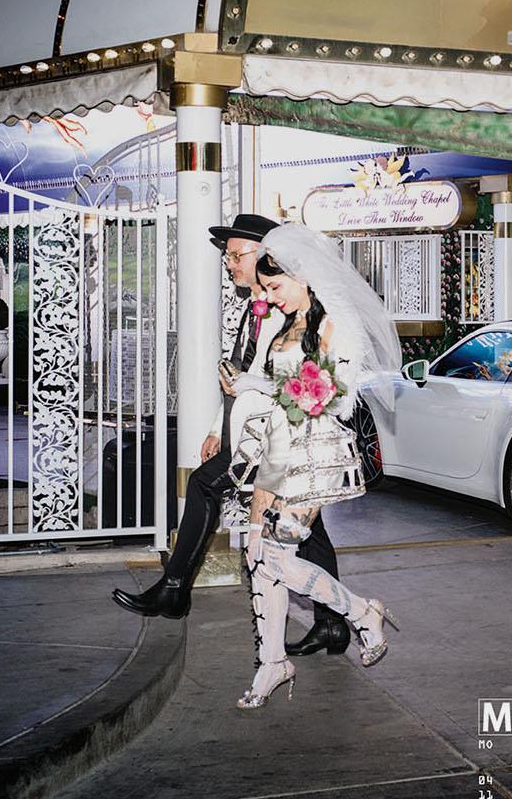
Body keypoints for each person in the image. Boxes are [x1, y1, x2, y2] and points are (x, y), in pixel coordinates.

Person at [110, 213, 348, 652]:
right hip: (255, 432)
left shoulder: (289, 309)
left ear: (266, 254)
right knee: (312, 531)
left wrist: (251, 396)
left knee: (206, 486)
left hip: (279, 437)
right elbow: (246, 375)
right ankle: (334, 621)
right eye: (229, 258)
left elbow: (276, 378)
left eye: (237, 255)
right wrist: (217, 426)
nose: (231, 264)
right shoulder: (255, 309)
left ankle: (176, 587)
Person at [227, 224, 403, 711]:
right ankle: (272, 662)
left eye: (276, 287)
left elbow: (333, 397)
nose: (270, 297)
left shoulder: (334, 326)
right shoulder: (286, 328)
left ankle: (363, 613)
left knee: (277, 558)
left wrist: (276, 393)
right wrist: (252, 388)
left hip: (313, 457)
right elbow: (274, 388)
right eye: (265, 289)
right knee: (257, 554)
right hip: (273, 450)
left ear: (302, 277)